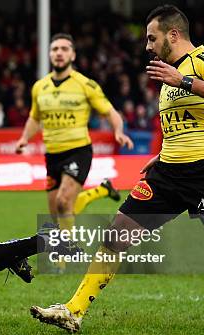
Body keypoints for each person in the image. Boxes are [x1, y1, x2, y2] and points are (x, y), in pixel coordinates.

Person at [30, 5, 204, 333]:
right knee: (116, 233)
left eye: (152, 38)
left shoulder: (203, 61)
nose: (147, 46)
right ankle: (74, 310)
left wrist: (184, 80)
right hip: (167, 175)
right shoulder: (169, 75)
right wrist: (163, 154)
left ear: (173, 35)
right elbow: (182, 126)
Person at [15, 33, 134, 235]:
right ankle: (101, 190)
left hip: (78, 151)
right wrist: (24, 138)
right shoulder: (39, 87)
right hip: (52, 155)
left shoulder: (85, 85)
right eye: (55, 49)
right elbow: (35, 118)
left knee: (63, 201)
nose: (59, 53)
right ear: (49, 54)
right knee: (57, 214)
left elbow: (109, 111)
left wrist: (118, 130)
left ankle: (66, 253)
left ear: (73, 55)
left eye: (64, 49)